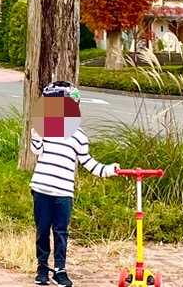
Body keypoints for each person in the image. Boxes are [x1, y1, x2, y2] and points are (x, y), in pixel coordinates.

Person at [29, 80, 119, 287]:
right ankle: (42, 268)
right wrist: (36, 133)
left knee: (61, 231)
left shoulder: (79, 135)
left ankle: (60, 269)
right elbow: (36, 150)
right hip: (41, 188)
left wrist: (108, 170)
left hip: (64, 192)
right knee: (42, 230)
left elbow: (88, 162)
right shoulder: (45, 129)